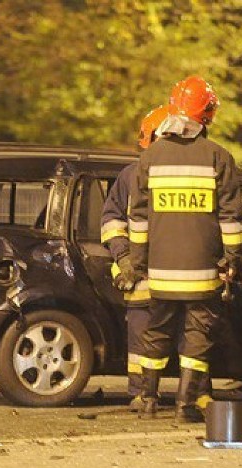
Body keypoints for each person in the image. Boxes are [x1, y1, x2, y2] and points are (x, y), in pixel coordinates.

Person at [129, 76, 242, 422]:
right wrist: (233, 260)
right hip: (202, 275)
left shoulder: (150, 158)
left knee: (155, 334)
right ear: (208, 114)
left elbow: (138, 219)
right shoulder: (218, 158)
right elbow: (231, 221)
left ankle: (148, 402)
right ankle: (184, 407)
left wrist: (137, 264)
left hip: (161, 274)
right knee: (197, 339)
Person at [100, 105, 168, 411]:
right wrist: (124, 257)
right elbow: (112, 221)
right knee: (144, 337)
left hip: (163, 273)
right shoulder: (129, 177)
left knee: (163, 337)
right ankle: (143, 393)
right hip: (147, 275)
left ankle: (153, 394)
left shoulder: (145, 175)